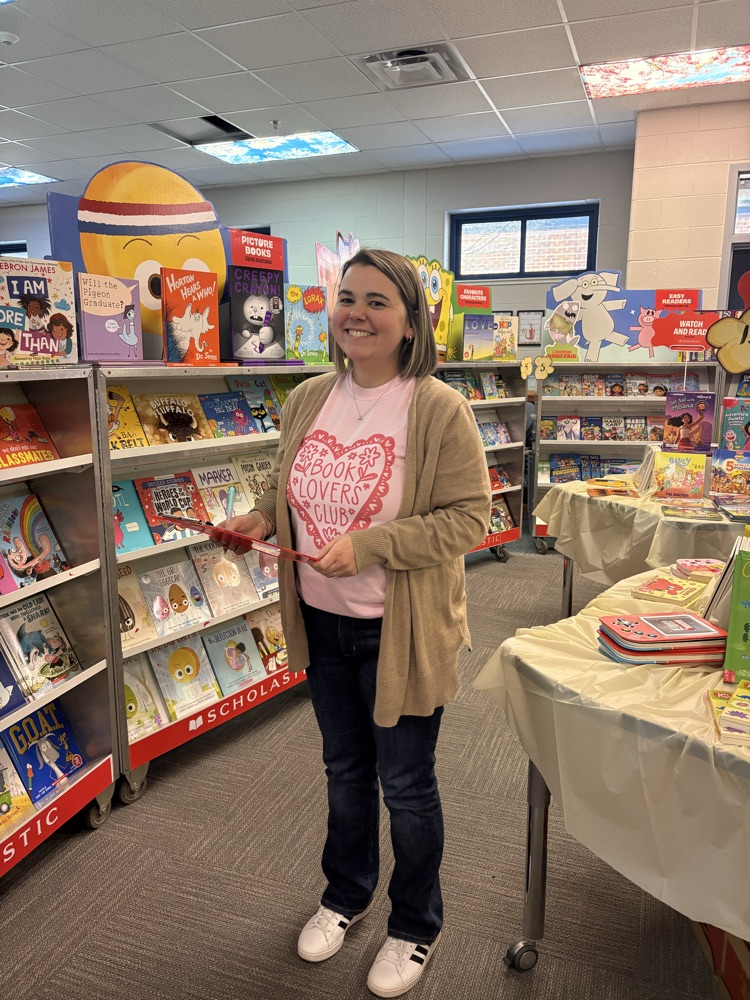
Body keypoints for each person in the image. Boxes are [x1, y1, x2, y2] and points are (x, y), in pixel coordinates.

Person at [218, 248, 491, 998]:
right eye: (346, 297)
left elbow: (470, 518)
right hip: (322, 622)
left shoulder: (437, 407)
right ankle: (345, 896)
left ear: (410, 323)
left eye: (377, 301)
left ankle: (414, 925)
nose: (356, 313)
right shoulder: (309, 396)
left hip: (398, 633)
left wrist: (372, 545)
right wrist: (258, 514)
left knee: (405, 784)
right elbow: (289, 485)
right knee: (344, 773)